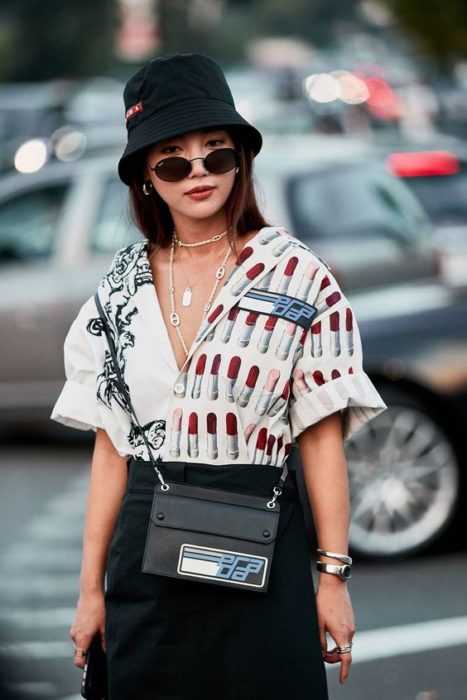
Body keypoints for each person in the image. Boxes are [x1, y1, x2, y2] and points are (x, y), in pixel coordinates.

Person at [51, 53, 386, 699]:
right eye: (174, 159)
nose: (198, 172)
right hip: (145, 551)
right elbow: (110, 450)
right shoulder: (119, 290)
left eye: (218, 153)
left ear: (242, 160)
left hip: (261, 535)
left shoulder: (298, 276)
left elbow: (319, 438)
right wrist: (89, 590)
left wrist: (333, 579)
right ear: (146, 177)